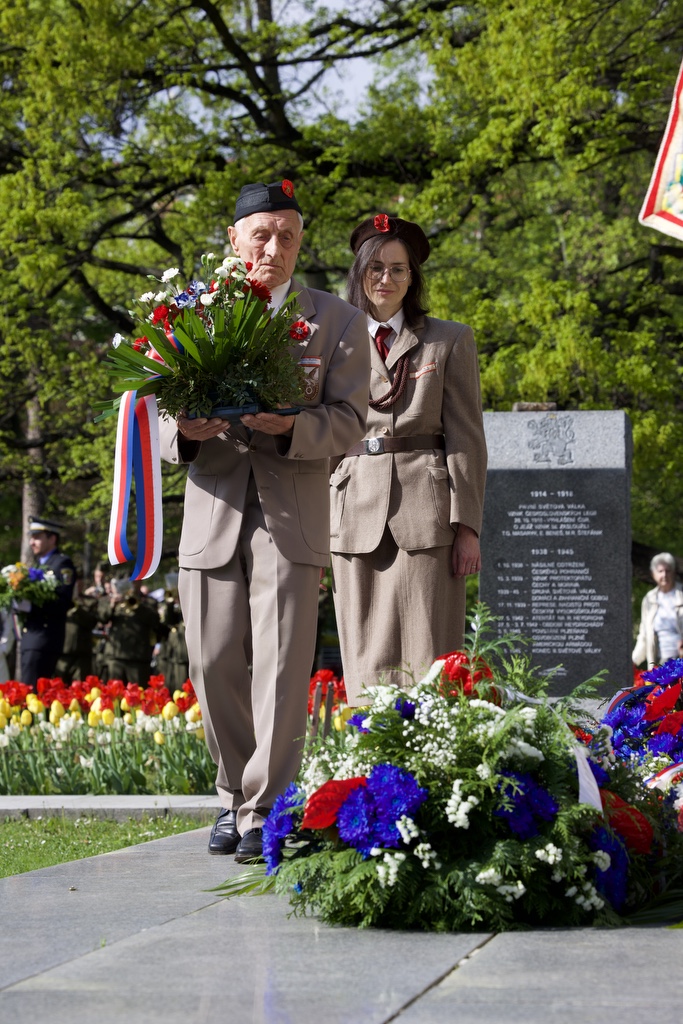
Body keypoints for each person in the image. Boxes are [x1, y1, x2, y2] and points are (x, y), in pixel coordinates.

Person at [159, 180, 369, 862]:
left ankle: (262, 811)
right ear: (234, 240)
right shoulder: (193, 312)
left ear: (300, 243)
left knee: (280, 666)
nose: (272, 248)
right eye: (260, 234)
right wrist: (183, 431)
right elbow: (156, 413)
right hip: (213, 508)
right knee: (212, 658)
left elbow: (351, 420)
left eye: (287, 236)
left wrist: (292, 428)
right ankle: (232, 793)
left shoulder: (336, 321)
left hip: (291, 511)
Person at [329, 214, 488, 705]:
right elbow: (323, 439)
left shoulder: (449, 339)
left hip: (427, 511)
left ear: (413, 277)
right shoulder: (333, 340)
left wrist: (468, 526)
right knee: (364, 650)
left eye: (399, 269)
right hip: (352, 509)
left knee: (430, 652)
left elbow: (466, 437)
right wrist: (315, 526)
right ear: (359, 273)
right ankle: (371, 745)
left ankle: (432, 745)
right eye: (375, 268)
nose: (386, 279)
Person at [19, 517, 76, 689]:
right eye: (31, 537)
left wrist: (31, 605)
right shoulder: (37, 565)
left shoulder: (62, 564)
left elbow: (63, 601)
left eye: (37, 537)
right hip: (31, 637)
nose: (32, 542)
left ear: (52, 539)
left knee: (32, 693)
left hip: (44, 638)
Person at [632, 552, 683, 669]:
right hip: (659, 662)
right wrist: (633, 661)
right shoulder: (649, 599)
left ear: (674, 572)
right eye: (660, 571)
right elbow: (644, 635)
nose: (664, 575)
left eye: (668, 571)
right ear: (653, 574)